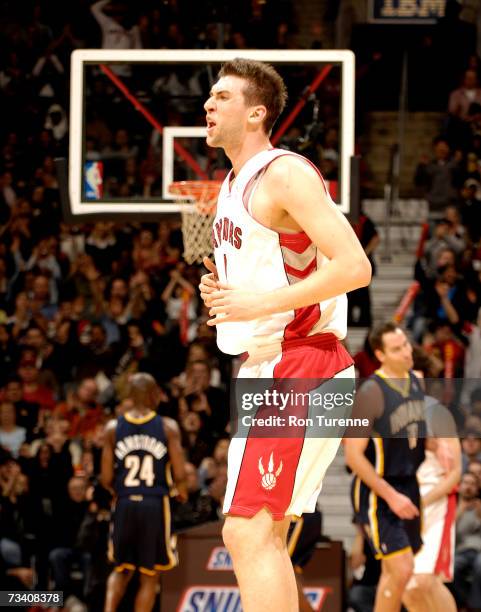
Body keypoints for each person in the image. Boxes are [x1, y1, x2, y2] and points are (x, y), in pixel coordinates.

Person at [199, 58, 371, 612]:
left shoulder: (284, 172)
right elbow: (275, 271)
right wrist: (225, 292)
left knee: (247, 534)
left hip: (303, 362)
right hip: (272, 363)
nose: (208, 104)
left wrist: (258, 302)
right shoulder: (230, 184)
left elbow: (355, 267)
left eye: (222, 96)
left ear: (256, 113)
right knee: (260, 534)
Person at [344, 322, 452, 612]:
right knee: (402, 569)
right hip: (377, 489)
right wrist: (390, 496)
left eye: (405, 344)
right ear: (380, 355)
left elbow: (412, 432)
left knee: (400, 573)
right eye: (397, 349)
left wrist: (435, 445)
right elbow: (353, 457)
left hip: (408, 483)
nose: (406, 352)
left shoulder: (416, 381)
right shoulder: (370, 393)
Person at [100, 372, 187, 612]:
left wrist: (119, 492)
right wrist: (182, 492)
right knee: (150, 575)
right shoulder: (168, 427)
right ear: (153, 395)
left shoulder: (112, 428)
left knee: (121, 570)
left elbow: (106, 478)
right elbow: (180, 475)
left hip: (125, 502)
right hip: (154, 504)